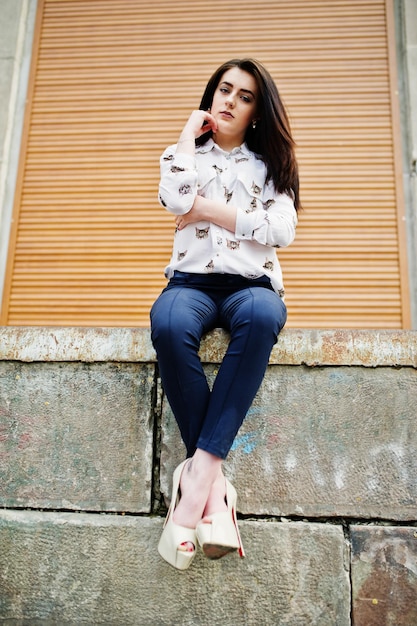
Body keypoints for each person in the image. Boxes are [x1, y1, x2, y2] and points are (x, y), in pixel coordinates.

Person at [151, 58, 300, 570]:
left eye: (244, 95)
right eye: (223, 90)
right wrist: (187, 136)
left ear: (258, 111)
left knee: (262, 316)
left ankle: (191, 493)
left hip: (250, 285)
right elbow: (174, 198)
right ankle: (214, 494)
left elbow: (281, 230)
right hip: (191, 283)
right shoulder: (183, 153)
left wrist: (209, 210)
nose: (230, 100)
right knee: (168, 323)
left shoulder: (271, 164)